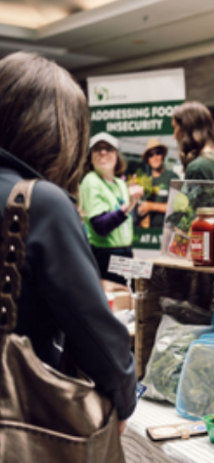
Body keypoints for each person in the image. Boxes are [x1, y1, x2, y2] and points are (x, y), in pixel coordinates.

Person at [0, 52, 136, 436]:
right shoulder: (37, 202)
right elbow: (94, 332)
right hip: (20, 420)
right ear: (61, 132)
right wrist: (124, 401)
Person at [80, 132, 144, 285]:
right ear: (91, 157)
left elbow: (127, 220)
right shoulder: (91, 181)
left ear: (117, 155)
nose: (103, 152)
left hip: (126, 254)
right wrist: (128, 206)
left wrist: (134, 203)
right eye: (97, 149)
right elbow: (100, 226)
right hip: (105, 258)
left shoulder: (120, 183)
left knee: (133, 297)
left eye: (108, 148)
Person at [137, 137, 179, 228]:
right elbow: (141, 209)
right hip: (152, 231)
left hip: (170, 230)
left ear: (163, 155)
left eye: (158, 153)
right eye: (151, 155)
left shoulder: (172, 177)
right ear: (148, 159)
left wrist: (151, 206)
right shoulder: (146, 182)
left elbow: (177, 207)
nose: (155, 157)